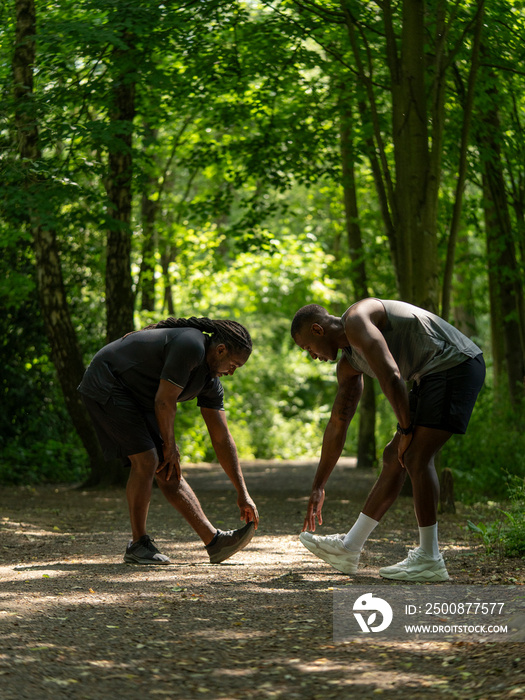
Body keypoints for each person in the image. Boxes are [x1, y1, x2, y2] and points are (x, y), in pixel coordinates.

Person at [291, 298, 485, 582]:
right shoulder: (349, 364)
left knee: (415, 456)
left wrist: (406, 432)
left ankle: (430, 558)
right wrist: (318, 485)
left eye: (308, 348)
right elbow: (338, 423)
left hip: (455, 363)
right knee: (393, 457)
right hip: (430, 374)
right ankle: (349, 548)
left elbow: (392, 376)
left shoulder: (357, 320)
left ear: (318, 330)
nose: (312, 356)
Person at [78, 316, 259, 566]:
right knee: (149, 459)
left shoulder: (210, 382)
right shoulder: (191, 345)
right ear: (220, 350)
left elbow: (221, 437)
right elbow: (164, 401)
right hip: (107, 380)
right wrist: (169, 445)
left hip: (136, 396)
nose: (232, 372)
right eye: (234, 364)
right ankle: (138, 544)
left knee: (166, 465)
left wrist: (243, 493)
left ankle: (214, 542)